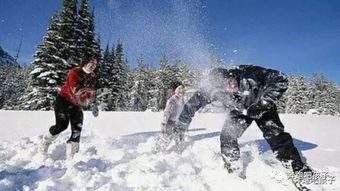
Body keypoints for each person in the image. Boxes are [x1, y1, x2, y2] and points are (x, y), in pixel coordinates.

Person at [174, 65, 311, 174]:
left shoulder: (249, 73)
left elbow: (281, 79)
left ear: (231, 75)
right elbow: (192, 104)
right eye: (224, 86)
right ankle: (233, 164)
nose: (230, 87)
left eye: (229, 82)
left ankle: (297, 168)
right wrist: (181, 124)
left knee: (275, 136)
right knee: (227, 135)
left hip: (262, 106)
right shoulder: (215, 90)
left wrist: (262, 104)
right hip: (240, 111)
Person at [40, 55, 99, 158]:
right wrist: (88, 91)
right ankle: (46, 141)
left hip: (77, 104)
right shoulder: (75, 72)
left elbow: (91, 93)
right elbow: (75, 90)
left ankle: (73, 157)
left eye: (95, 64)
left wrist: (92, 103)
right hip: (63, 101)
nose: (93, 65)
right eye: (91, 63)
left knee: (77, 129)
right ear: (85, 62)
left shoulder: (93, 76)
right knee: (61, 126)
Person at [153, 84, 186, 152]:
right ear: (175, 90)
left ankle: (179, 152)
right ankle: (156, 151)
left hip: (176, 122)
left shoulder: (182, 100)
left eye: (182, 89)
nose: (181, 90)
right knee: (166, 138)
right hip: (169, 122)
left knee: (179, 137)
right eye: (179, 89)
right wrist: (164, 122)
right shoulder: (172, 100)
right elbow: (167, 111)